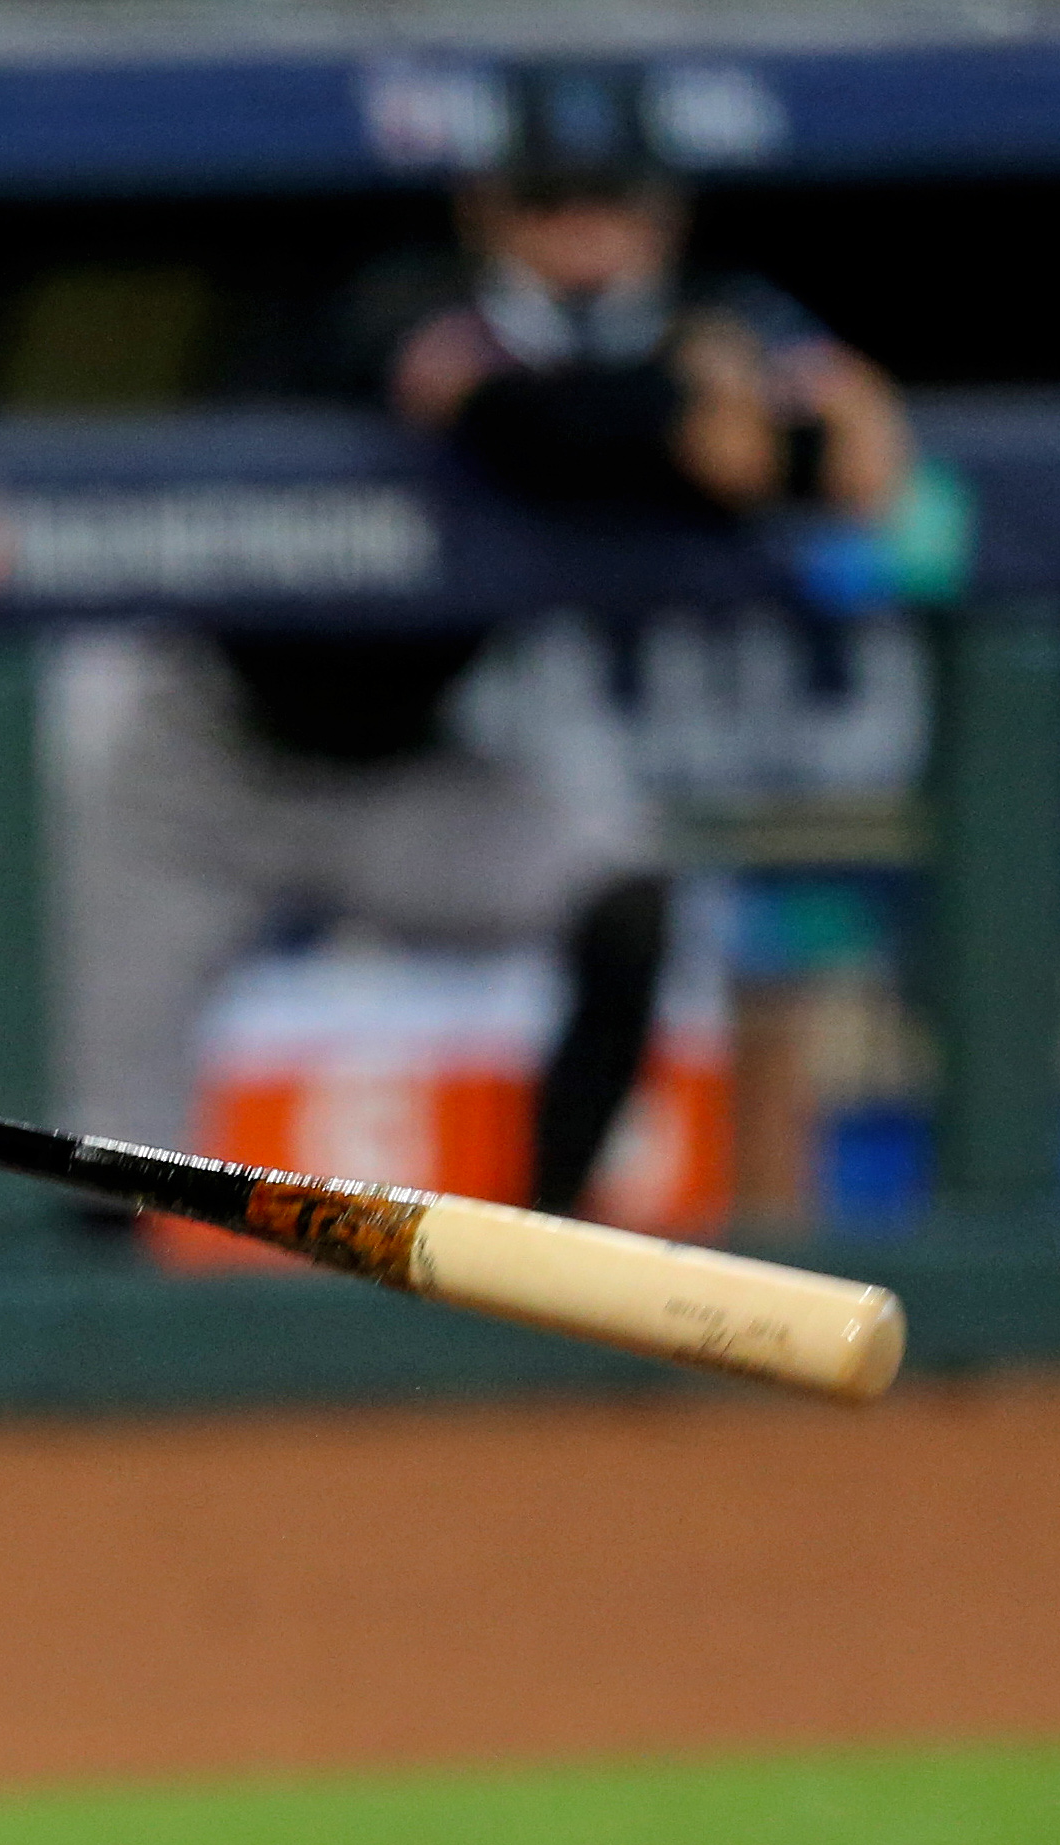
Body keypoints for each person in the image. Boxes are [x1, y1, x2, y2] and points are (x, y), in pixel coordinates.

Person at [57, 61, 912, 1217]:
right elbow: (519, 427)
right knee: (103, 1147)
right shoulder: (404, 292)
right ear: (486, 208)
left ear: (661, 210)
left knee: (621, 894)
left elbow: (858, 458)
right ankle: (83, 1370)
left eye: (608, 201)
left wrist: (728, 422)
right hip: (201, 760)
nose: (581, 235)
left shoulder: (715, 312)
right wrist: (689, 419)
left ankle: (547, 1241)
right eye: (547, 203)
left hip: (405, 775)